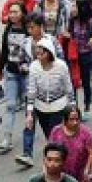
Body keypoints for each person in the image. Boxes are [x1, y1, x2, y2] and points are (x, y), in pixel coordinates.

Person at [19, 37, 73, 167]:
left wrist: (72, 107)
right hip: (41, 105)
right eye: (37, 53)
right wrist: (30, 113)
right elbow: (31, 90)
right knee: (47, 134)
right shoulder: (34, 67)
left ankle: (57, 162)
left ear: (49, 53)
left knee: (54, 135)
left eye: (42, 53)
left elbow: (68, 87)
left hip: (58, 106)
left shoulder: (61, 66)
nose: (39, 56)